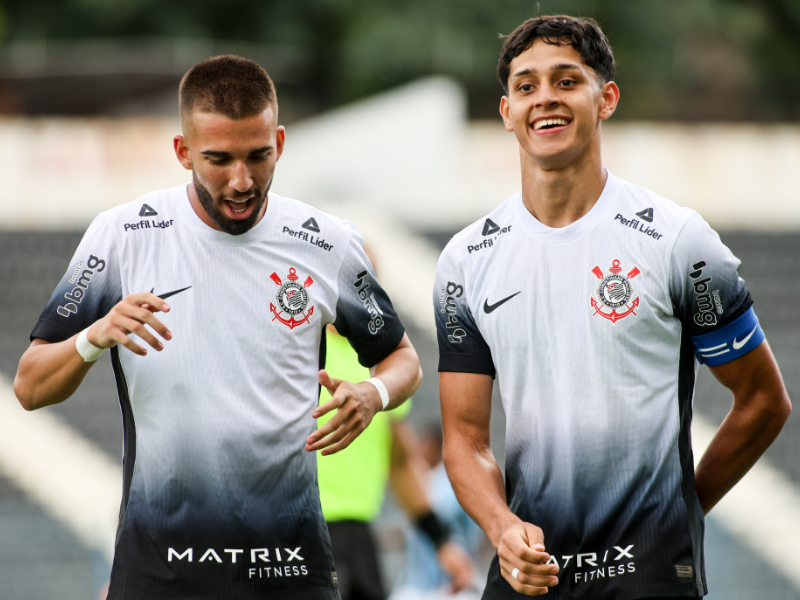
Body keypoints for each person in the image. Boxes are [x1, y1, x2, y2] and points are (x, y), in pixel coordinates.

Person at [14, 55, 422, 600]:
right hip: (159, 574)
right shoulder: (122, 236)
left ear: (279, 140)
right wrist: (94, 336)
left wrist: (373, 392)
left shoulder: (328, 243)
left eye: (259, 156)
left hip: (290, 573)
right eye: (218, 159)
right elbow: (30, 385)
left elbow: (404, 361)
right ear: (183, 152)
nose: (242, 180)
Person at [433, 15, 791, 600]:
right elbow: (465, 442)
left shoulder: (678, 242)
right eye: (526, 86)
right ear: (506, 112)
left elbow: (763, 401)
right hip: (531, 575)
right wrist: (502, 530)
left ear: (607, 99)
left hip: (647, 571)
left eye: (567, 81)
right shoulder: (466, 261)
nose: (545, 98)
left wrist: (682, 510)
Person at [318, 323, 476, 600]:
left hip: (359, 538)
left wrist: (440, 541)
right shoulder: (302, 350)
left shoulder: (384, 363)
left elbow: (401, 463)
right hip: (301, 531)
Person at [390, 424, 487, 600]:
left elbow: (469, 531)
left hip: (448, 583)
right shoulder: (422, 482)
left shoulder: (452, 487)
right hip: (417, 582)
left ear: (436, 447)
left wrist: (464, 566)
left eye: (424, 444)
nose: (419, 449)